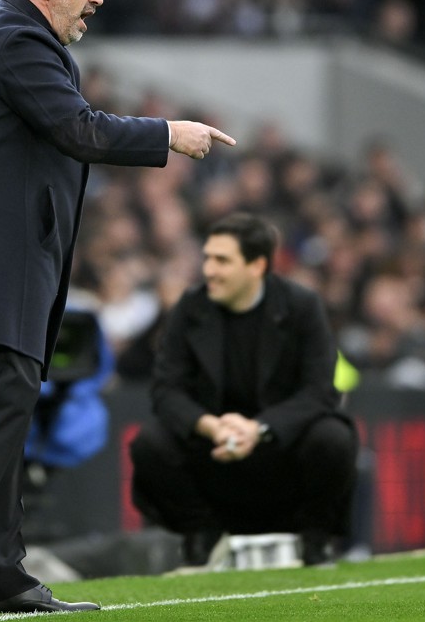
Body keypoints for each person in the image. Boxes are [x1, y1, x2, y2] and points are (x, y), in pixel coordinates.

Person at [0, 0, 236, 617]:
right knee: (5, 397)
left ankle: (3, 575)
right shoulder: (16, 39)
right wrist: (168, 132)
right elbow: (78, 130)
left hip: (10, 254)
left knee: (9, 400)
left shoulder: (11, 35)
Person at [130, 212, 357, 568]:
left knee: (333, 437)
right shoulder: (189, 308)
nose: (209, 270)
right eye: (207, 258)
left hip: (281, 449)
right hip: (214, 449)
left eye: (222, 260)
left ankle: (316, 540)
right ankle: (201, 535)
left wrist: (259, 429)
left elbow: (320, 392)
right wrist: (212, 426)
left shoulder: (302, 306)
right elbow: (166, 391)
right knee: (150, 443)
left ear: (257, 265)